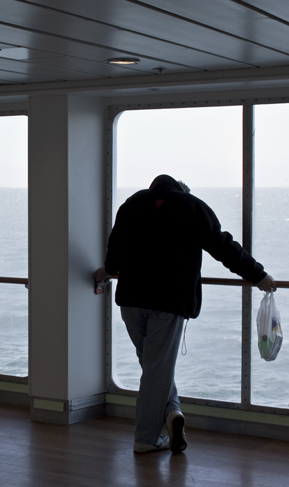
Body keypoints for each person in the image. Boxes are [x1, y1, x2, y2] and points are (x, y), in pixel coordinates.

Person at [94, 175, 276, 455]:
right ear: (181, 190)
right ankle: (145, 438)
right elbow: (223, 247)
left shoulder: (131, 204)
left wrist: (108, 270)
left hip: (130, 300)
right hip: (169, 302)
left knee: (154, 366)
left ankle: (172, 413)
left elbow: (115, 246)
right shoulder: (191, 206)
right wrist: (258, 275)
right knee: (157, 369)